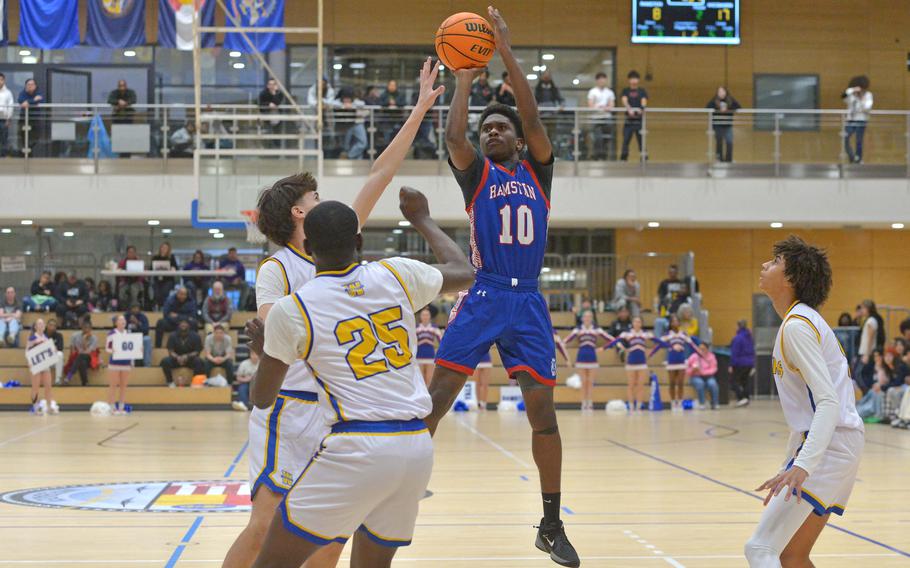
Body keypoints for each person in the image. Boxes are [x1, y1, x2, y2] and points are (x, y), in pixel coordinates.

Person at [222, 57, 447, 568]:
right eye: (315, 196)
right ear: (299, 212)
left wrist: (419, 109)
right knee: (264, 529)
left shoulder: (336, 243)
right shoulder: (276, 270)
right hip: (288, 407)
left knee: (331, 539)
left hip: (338, 411)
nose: (326, 200)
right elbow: (270, 339)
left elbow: (380, 172)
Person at [248, 188, 474, 568]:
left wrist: (265, 347)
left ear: (309, 244)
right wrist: (422, 219)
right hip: (416, 447)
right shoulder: (395, 273)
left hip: (357, 446)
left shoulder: (294, 309)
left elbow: (262, 397)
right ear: (358, 241)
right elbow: (466, 272)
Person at [429, 8, 580, 564]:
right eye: (487, 128)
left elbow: (535, 118)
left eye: (502, 128)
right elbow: (452, 135)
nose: (493, 132)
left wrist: (507, 51)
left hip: (529, 299)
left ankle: (550, 521)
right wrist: (465, 73)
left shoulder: (537, 172)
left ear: (519, 141)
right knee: (439, 399)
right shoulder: (477, 175)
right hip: (488, 291)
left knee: (544, 413)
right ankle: (394, 484)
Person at [745, 235, 864, 567]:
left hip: (830, 443)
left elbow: (826, 401)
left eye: (775, 262)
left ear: (791, 278)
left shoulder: (798, 326)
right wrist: (792, 461)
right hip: (839, 442)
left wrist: (802, 465)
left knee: (759, 549)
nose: (765, 265)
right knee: (792, 555)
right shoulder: (803, 320)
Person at [563, 311, 614, 411]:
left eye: (589, 316)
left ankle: (590, 403)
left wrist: (603, 348)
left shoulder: (597, 330)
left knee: (590, 382)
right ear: (582, 318)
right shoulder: (577, 330)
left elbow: (613, 340)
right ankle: (583, 403)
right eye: (585, 316)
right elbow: (565, 341)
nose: (587, 318)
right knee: (583, 382)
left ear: (592, 318)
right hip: (581, 356)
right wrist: (562, 346)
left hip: (592, 357)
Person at [604, 316, 655, 413]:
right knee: (631, 385)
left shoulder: (645, 334)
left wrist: (653, 351)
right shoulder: (627, 334)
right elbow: (615, 341)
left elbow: (659, 342)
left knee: (640, 385)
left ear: (641, 324)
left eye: (639, 322)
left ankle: (639, 406)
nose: (637, 323)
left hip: (642, 362)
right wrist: (604, 348)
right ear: (632, 323)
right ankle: (631, 406)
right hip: (631, 362)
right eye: (635, 321)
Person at [649, 315, 700, 411]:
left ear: (679, 323)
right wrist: (652, 353)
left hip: (681, 360)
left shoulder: (683, 334)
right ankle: (673, 402)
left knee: (680, 382)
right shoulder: (668, 334)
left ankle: (680, 402)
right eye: (673, 321)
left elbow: (692, 345)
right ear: (670, 324)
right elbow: (659, 344)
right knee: (672, 382)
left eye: (677, 321)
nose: (675, 323)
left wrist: (700, 354)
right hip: (671, 360)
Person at [160, 319, 205, 387]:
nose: (183, 325)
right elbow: (170, 350)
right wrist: (177, 357)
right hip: (176, 359)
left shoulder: (195, 336)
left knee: (199, 362)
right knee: (165, 361)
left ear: (189, 325)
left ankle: (194, 382)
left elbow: (197, 351)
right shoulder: (173, 335)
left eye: (185, 323)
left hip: (190, 359)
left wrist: (187, 356)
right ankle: (170, 382)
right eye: (181, 323)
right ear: (179, 325)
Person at [27, 319, 58, 415]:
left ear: (44, 326)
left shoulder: (46, 338)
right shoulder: (32, 338)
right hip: (36, 365)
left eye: (42, 323)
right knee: (35, 387)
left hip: (45, 365)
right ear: (35, 326)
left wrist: (54, 350)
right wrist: (30, 362)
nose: (41, 325)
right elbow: (27, 351)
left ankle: (49, 407)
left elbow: (50, 351)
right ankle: (35, 408)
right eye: (39, 324)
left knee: (48, 386)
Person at [105, 315, 133, 415]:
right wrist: (113, 350)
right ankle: (111, 407)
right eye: (120, 320)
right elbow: (107, 349)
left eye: (124, 319)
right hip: (115, 363)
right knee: (113, 385)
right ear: (116, 323)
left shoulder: (129, 333)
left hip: (126, 363)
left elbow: (132, 348)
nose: (123, 321)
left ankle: (121, 407)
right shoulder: (112, 334)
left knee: (123, 386)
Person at [842, 75, 873, 164]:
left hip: (861, 120)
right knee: (845, 138)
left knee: (859, 140)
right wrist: (852, 90)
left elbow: (867, 107)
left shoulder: (868, 95)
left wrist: (862, 100)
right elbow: (843, 96)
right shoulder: (851, 95)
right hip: (850, 120)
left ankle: (858, 159)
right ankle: (852, 157)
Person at [706, 86, 741, 163]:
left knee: (729, 142)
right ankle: (719, 159)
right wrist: (717, 109)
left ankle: (729, 159)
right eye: (719, 92)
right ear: (717, 93)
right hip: (717, 125)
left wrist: (728, 109)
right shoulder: (714, 100)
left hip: (728, 125)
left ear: (726, 92)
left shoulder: (730, 100)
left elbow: (738, 107)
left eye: (722, 91)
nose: (721, 93)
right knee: (719, 142)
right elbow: (707, 107)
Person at [856, 299, 884, 391]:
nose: (861, 310)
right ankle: (868, 396)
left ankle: (868, 395)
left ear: (868, 308)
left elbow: (870, 339)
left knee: (859, 375)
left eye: (863, 308)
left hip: (867, 353)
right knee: (863, 376)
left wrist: (867, 354)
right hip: (866, 352)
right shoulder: (869, 320)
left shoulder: (871, 321)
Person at [586, 72, 615, 160]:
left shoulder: (609, 92)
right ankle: (597, 156)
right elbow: (590, 105)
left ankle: (604, 156)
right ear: (597, 80)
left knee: (606, 138)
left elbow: (612, 105)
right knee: (598, 138)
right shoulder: (592, 91)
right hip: (596, 118)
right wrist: (600, 107)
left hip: (606, 117)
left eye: (604, 79)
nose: (602, 81)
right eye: (600, 79)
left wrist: (605, 107)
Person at [619, 71, 648, 162]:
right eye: (632, 78)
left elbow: (644, 100)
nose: (634, 80)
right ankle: (623, 159)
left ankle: (644, 160)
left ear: (638, 80)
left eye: (635, 78)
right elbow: (624, 99)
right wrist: (629, 109)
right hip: (629, 120)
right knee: (626, 140)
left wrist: (641, 108)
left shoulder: (642, 91)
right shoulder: (626, 91)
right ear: (629, 80)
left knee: (641, 141)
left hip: (639, 121)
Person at [730, 319, 756, 407]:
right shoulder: (749, 337)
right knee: (745, 381)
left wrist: (731, 365)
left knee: (734, 381)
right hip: (749, 363)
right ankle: (746, 398)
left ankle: (741, 398)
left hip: (740, 363)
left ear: (738, 326)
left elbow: (735, 352)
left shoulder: (738, 338)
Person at [415, 307, 443, 387]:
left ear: (430, 316)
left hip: (430, 355)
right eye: (423, 315)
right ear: (420, 317)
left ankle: (428, 398)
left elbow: (441, 341)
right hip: (419, 355)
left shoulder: (434, 328)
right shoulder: (416, 328)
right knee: (420, 380)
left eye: (427, 315)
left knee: (429, 379)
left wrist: (438, 351)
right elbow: (411, 342)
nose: (425, 317)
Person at [337, 88, 368, 159]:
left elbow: (366, 111)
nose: (347, 100)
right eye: (345, 98)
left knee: (362, 143)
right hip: (345, 126)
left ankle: (348, 156)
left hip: (357, 124)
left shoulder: (357, 103)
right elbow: (332, 103)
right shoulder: (338, 102)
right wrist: (342, 106)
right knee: (346, 146)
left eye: (349, 98)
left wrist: (353, 107)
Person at [686, 343, 719, 410]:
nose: (701, 350)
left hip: (708, 376)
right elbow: (687, 370)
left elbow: (714, 368)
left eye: (703, 349)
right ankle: (702, 403)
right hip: (696, 376)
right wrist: (693, 369)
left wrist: (703, 372)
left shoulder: (711, 356)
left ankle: (715, 403)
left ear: (707, 349)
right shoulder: (693, 356)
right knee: (700, 383)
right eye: (700, 348)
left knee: (713, 384)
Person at [18, 79, 43, 157]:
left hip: (35, 120)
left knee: (35, 138)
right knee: (23, 139)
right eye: (28, 84)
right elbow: (20, 101)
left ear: (35, 86)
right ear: (26, 86)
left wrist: (28, 102)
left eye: (32, 84)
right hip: (23, 119)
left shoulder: (38, 93)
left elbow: (41, 100)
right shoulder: (22, 93)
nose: (30, 86)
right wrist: (33, 101)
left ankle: (30, 153)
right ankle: (25, 156)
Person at [151, 242, 179, 309]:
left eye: (165, 248)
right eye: (162, 247)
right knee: (157, 293)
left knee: (164, 292)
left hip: (168, 280)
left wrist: (173, 268)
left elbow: (176, 268)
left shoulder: (171, 257)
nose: (163, 249)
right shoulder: (155, 257)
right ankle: (158, 306)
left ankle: (163, 307)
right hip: (157, 280)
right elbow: (151, 268)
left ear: (168, 249)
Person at [70, 320, 98, 387]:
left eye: (88, 328)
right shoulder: (74, 335)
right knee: (82, 362)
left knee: (82, 356)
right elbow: (72, 349)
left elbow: (88, 352)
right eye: (85, 327)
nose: (86, 330)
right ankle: (85, 383)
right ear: (82, 328)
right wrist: (73, 353)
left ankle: (69, 375)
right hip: (77, 358)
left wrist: (84, 339)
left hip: (90, 358)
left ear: (91, 329)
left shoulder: (94, 338)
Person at [124, 303, 152, 367]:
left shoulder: (143, 317)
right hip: (128, 338)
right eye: (134, 308)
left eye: (137, 308)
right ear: (130, 309)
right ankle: (125, 365)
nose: (136, 310)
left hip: (140, 337)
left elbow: (146, 331)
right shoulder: (125, 317)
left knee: (147, 339)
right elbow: (120, 329)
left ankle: (147, 365)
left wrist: (137, 323)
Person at [45, 319, 65, 384]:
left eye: (54, 326)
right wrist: (52, 347)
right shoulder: (41, 335)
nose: (52, 327)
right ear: (47, 326)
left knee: (60, 354)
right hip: (44, 359)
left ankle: (58, 379)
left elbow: (60, 348)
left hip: (53, 359)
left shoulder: (59, 336)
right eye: (50, 325)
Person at [0, 73, 13, 157]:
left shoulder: (8, 93)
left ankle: (3, 157)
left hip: (3, 119)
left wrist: (9, 119)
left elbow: (11, 106)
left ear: (4, 81)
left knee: (4, 139)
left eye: (1, 80)